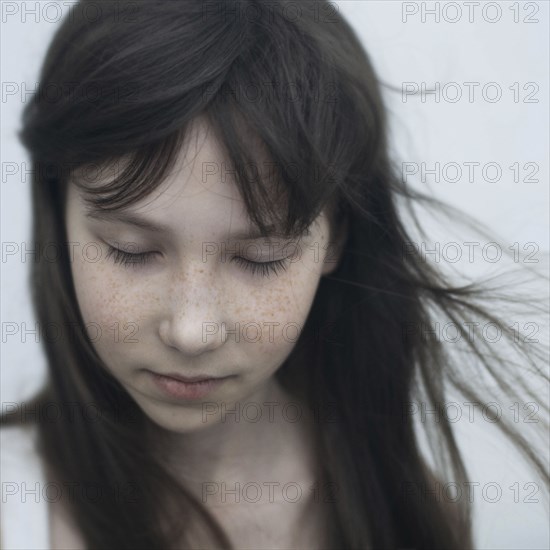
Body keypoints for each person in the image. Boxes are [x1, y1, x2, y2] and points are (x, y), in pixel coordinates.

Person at [1, 1, 548, 549]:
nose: (192, 331)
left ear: (335, 238)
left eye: (259, 259)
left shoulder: (409, 515)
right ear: (59, 215)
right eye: (132, 250)